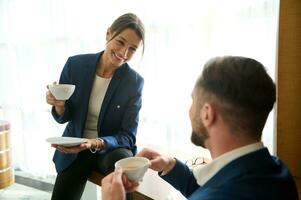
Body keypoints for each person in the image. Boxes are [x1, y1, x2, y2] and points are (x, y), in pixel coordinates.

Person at [101, 56, 299, 200]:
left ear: (207, 113)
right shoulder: (279, 172)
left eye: (193, 101)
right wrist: (171, 166)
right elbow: (216, 190)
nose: (189, 111)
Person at [46, 13, 145, 200]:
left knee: (123, 164)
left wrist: (95, 143)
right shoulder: (75, 65)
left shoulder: (134, 83)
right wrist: (59, 105)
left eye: (132, 49)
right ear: (109, 34)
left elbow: (128, 136)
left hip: (109, 150)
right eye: (121, 42)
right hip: (76, 148)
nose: (124, 53)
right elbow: (64, 116)